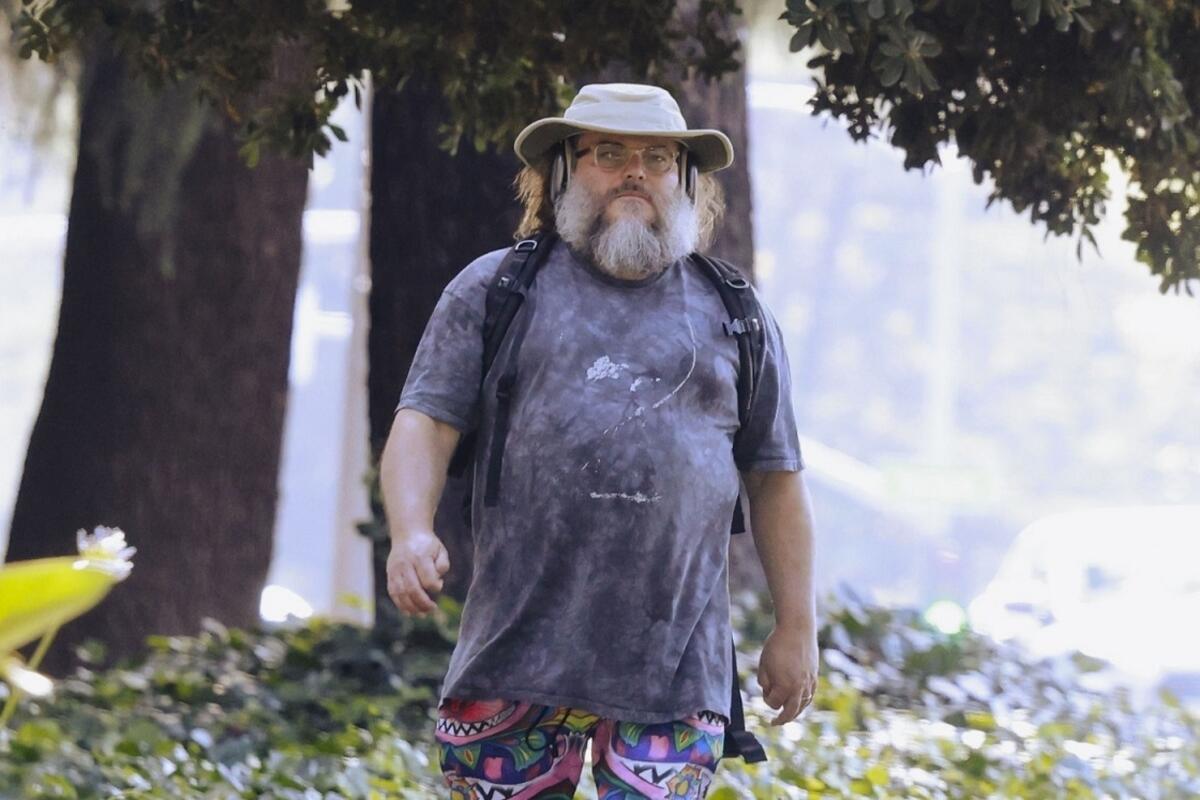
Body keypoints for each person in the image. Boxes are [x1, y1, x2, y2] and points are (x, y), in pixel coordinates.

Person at [380, 82, 818, 799]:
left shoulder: (735, 312)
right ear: (563, 171)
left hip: (676, 677)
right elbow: (425, 421)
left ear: (685, 179)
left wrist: (796, 625)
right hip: (513, 661)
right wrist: (410, 532)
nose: (634, 172)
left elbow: (776, 478)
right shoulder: (495, 290)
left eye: (657, 157)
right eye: (608, 153)